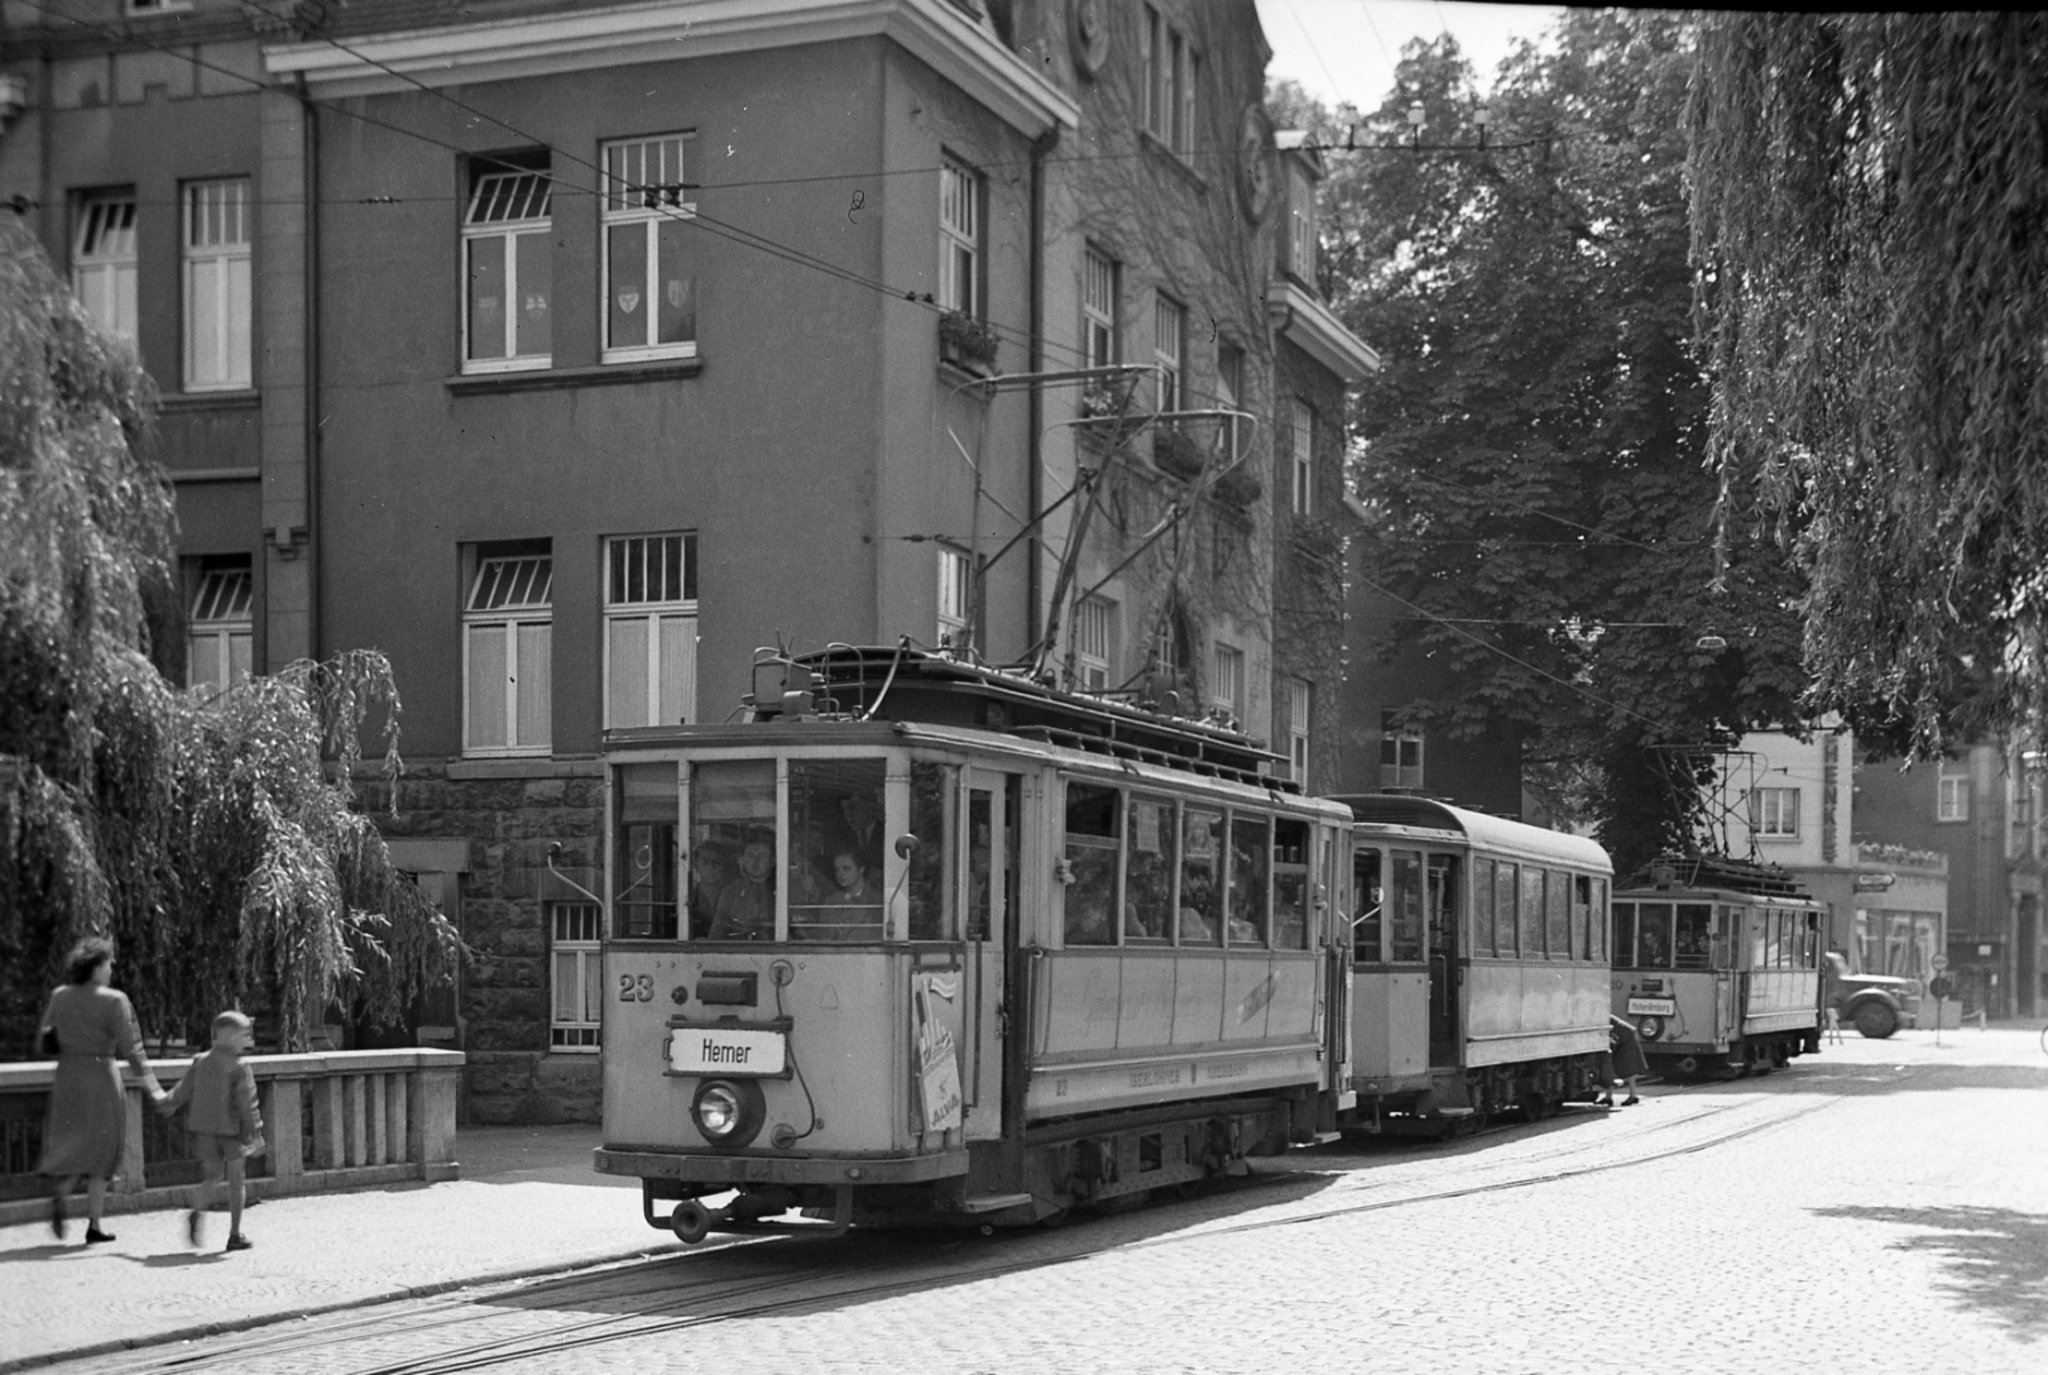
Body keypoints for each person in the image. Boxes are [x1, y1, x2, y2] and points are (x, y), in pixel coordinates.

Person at [36, 937, 167, 1243]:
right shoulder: (114, 1000)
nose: (111, 970)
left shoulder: (60, 996)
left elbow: (44, 1040)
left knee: (72, 1142)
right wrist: (153, 1087)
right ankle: (94, 1224)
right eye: (108, 964)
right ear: (96, 967)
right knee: (103, 1150)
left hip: (68, 1076)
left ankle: (61, 1193)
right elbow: (132, 1049)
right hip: (101, 1076)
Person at [159, 1010, 264, 1252]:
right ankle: (234, 1235)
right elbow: (248, 1103)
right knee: (237, 1182)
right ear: (229, 1036)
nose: (247, 1040)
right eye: (244, 1035)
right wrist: (256, 1132)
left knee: (213, 1176)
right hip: (233, 1132)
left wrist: (168, 1103)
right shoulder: (239, 1066)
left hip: (204, 1131)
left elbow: (182, 1090)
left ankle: (196, 1210)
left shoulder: (200, 1061)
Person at [710, 837, 776, 940]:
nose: (756, 861)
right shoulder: (731, 892)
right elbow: (717, 932)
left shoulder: (784, 890)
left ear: (773, 861)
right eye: (750, 855)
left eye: (762, 855)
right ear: (742, 859)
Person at [1596, 1014, 1648, 1107]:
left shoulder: (1600, 1018)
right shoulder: (1604, 1016)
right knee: (1621, 1067)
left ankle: (1631, 1096)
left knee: (1625, 1068)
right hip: (1625, 1036)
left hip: (1625, 1039)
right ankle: (1612, 1096)